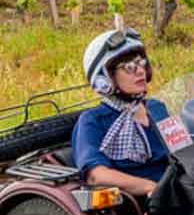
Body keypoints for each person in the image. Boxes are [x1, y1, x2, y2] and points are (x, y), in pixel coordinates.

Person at [71, 27, 179, 198]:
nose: (140, 71)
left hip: (181, 190)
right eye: (129, 67)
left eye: (141, 63)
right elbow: (96, 175)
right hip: (144, 203)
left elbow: (185, 149)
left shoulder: (156, 108)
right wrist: (150, 186)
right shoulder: (93, 120)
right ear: (104, 79)